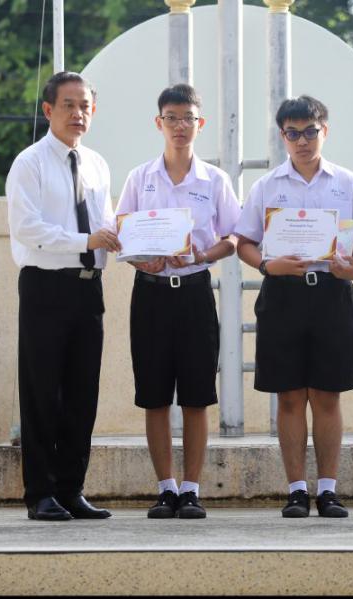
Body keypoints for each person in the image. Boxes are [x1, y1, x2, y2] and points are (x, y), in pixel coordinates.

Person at [235, 95, 353, 518]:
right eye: (293, 133)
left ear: (324, 131)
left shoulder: (346, 182)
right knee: (290, 396)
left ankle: (328, 490)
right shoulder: (266, 186)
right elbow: (244, 242)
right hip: (283, 294)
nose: (302, 141)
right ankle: (297, 489)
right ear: (282, 136)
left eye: (310, 131)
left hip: (332, 293)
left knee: (328, 395)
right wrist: (267, 264)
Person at [116, 84, 240, 520]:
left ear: (200, 124)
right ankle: (165, 488)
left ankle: (191, 489)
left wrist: (203, 255)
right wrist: (140, 260)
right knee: (153, 395)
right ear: (159, 123)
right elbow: (122, 233)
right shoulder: (139, 178)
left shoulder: (215, 180)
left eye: (188, 118)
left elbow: (233, 237)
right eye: (172, 117)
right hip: (150, 294)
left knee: (196, 396)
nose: (180, 126)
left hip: (193, 292)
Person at [6, 71, 121, 521]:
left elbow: (106, 225)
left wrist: (134, 242)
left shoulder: (97, 164)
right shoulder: (29, 163)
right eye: (69, 105)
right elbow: (27, 229)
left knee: (81, 393)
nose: (78, 114)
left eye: (85, 106)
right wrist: (84, 241)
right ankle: (40, 494)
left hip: (88, 289)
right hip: (45, 286)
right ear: (48, 110)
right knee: (41, 392)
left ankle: (72, 489)